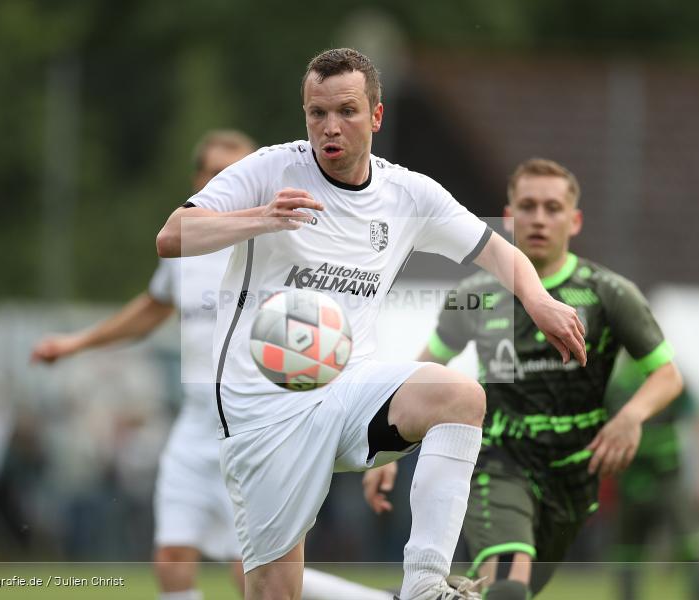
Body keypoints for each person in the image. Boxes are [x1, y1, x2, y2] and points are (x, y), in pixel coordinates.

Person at [155, 49, 586, 600]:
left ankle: (426, 585)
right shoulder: (271, 169)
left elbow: (497, 252)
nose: (329, 127)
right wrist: (263, 217)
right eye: (317, 113)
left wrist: (537, 299)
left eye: (347, 111)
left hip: (348, 390)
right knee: (271, 590)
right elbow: (172, 236)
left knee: (459, 395)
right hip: (261, 409)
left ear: (376, 116)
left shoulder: (408, 193)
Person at [33, 130, 392, 600]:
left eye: (232, 170)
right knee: (171, 561)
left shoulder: (284, 248)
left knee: (256, 573)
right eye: (211, 172)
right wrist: (76, 343)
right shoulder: (185, 249)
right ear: (197, 181)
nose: (222, 179)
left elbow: (341, 333)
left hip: (253, 428)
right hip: (194, 427)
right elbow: (152, 308)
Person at [363, 158, 683, 599]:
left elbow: (666, 375)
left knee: (509, 592)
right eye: (528, 206)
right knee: (511, 584)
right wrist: (388, 447)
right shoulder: (474, 294)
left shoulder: (609, 293)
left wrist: (631, 418)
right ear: (509, 217)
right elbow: (427, 375)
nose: (538, 218)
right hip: (498, 460)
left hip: (572, 475)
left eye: (552, 208)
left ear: (574, 221)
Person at [605, 352, 699, 600]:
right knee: (628, 551)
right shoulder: (616, 383)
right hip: (632, 480)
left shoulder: (667, 377)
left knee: (690, 543)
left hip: (668, 477)